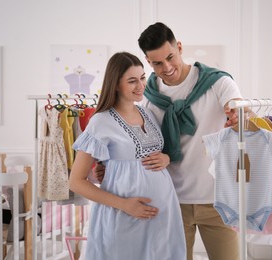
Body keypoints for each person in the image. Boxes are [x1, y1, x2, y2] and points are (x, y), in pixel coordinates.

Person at [138, 22, 242, 260]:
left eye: (170, 57)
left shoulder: (217, 82)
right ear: (147, 61)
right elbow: (140, 141)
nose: (167, 67)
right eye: (157, 63)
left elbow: (240, 108)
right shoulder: (147, 96)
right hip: (171, 202)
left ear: (180, 47)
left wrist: (238, 115)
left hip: (218, 201)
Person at [69, 51, 186, 260]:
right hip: (123, 217)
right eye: (132, 81)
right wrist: (125, 205)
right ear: (115, 84)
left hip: (163, 216)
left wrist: (166, 158)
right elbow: (76, 182)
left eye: (142, 78)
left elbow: (157, 154)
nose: (141, 86)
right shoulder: (101, 122)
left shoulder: (148, 113)